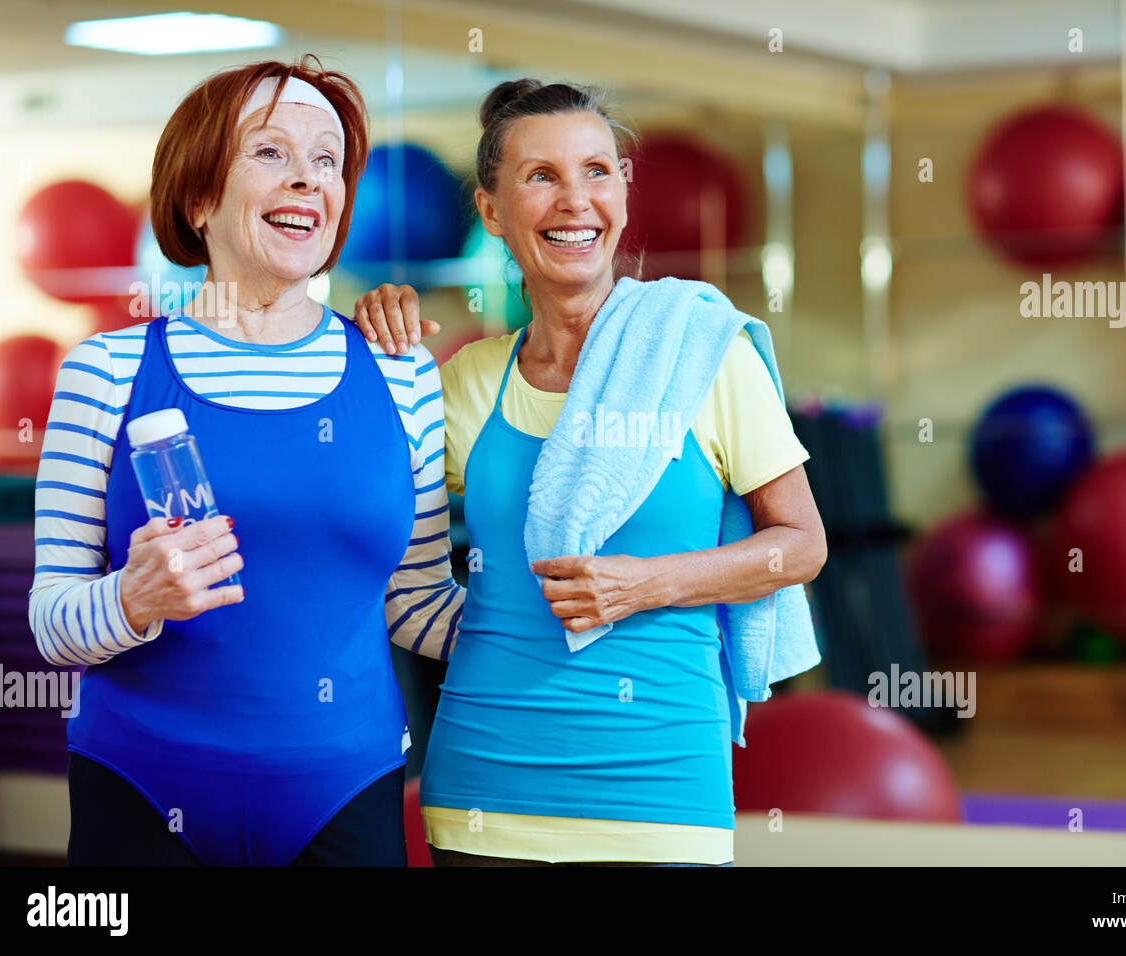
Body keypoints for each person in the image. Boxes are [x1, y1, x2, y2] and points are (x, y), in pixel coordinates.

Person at [353, 79, 827, 866]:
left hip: (662, 786)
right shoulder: (467, 381)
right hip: (484, 782)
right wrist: (370, 348)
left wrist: (649, 584)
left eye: (597, 171)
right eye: (541, 176)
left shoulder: (704, 357)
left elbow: (801, 545)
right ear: (492, 211)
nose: (576, 201)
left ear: (623, 195)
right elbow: (387, 563)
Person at [28, 56, 462, 867]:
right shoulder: (107, 370)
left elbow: (417, 603)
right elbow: (52, 622)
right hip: (141, 788)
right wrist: (133, 596)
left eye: (326, 161)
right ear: (199, 198)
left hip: (345, 791)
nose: (308, 179)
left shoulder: (402, 372)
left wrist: (598, 612)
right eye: (271, 153)